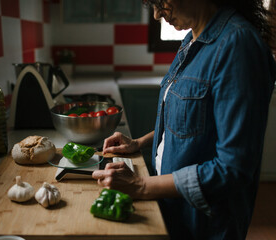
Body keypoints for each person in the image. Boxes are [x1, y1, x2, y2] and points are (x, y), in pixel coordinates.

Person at [92, 0, 276, 239]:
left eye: (160, 2)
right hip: (173, 207)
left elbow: (233, 168)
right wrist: (139, 143)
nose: (157, 14)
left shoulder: (238, 45)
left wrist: (141, 185)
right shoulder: (194, 40)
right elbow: (192, 120)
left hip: (203, 222)